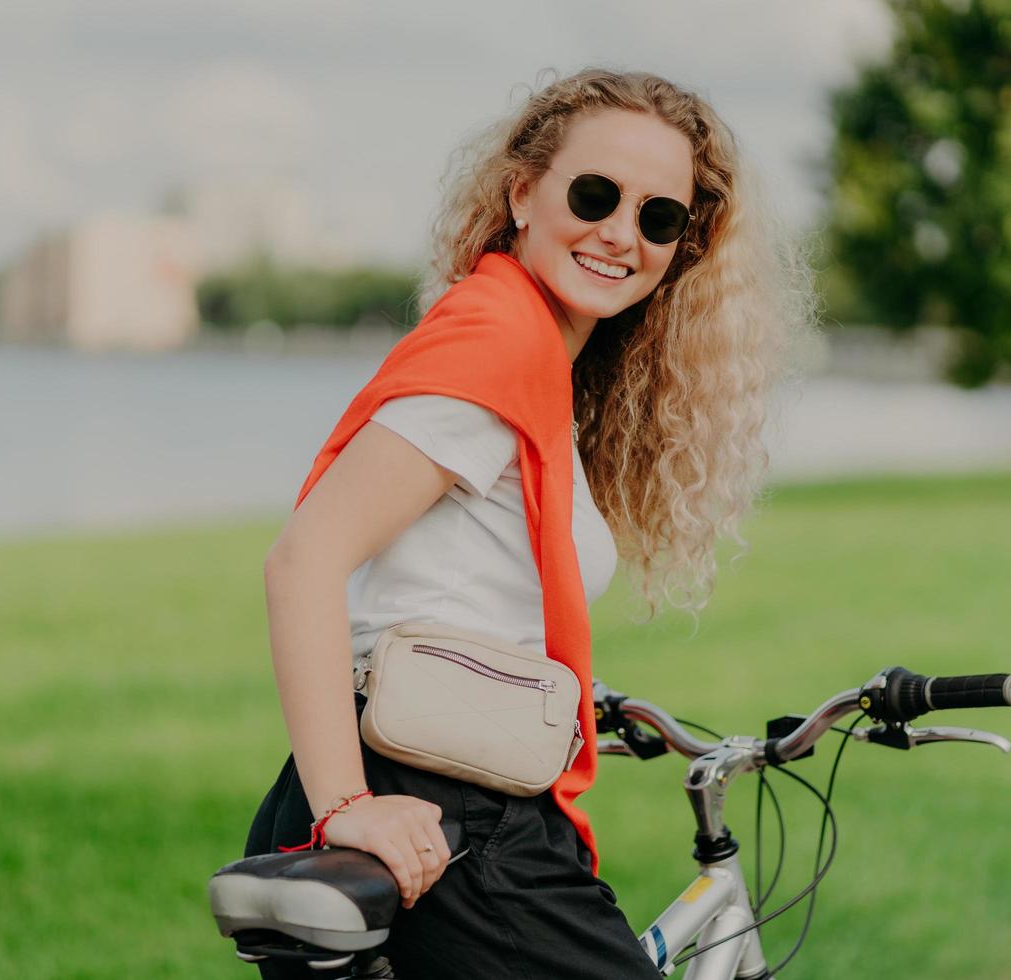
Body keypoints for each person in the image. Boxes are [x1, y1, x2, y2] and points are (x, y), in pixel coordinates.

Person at [244, 66, 815, 979]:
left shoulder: (531, 353)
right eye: (596, 195)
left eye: (658, 217)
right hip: (444, 817)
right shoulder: (497, 340)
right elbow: (303, 562)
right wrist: (347, 805)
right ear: (521, 191)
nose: (621, 234)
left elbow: (450, 584)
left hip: (431, 790)